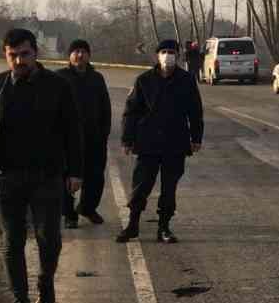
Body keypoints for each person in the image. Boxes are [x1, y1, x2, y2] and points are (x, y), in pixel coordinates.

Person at [0, 28, 83, 303]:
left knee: (49, 239)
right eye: (13, 55)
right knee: (12, 242)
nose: (19, 61)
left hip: (47, 176)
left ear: (35, 53)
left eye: (24, 54)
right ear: (6, 56)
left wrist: (75, 172)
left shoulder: (57, 86)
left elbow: (73, 132)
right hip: (6, 176)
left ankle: (45, 280)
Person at [118, 39, 204, 244]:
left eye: (172, 52)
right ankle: (132, 224)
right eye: (164, 52)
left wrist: (196, 137)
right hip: (147, 142)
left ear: (178, 56)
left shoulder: (186, 80)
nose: (168, 56)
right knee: (141, 185)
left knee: (169, 187)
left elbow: (195, 111)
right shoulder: (144, 80)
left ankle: (164, 227)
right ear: (157, 55)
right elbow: (131, 112)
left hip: (175, 142)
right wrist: (127, 139)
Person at [57, 39, 112, 228]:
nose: (79, 55)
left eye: (83, 51)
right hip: (66, 139)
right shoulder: (59, 77)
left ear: (89, 55)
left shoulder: (97, 78)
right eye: (76, 51)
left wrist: (104, 133)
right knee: (66, 177)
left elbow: (105, 107)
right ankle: (69, 214)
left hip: (94, 138)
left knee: (95, 176)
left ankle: (87, 208)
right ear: (69, 55)